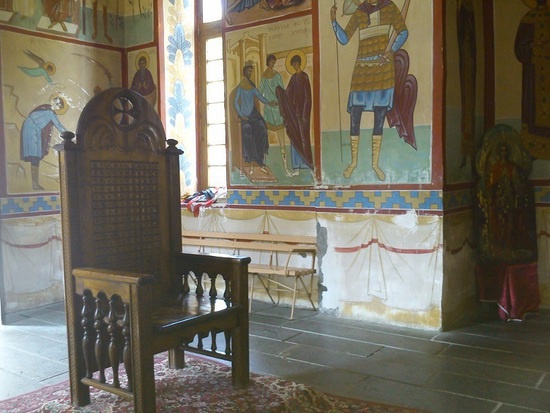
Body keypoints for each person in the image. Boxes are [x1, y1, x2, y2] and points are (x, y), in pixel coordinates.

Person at [330, 0, 408, 181]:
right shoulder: (360, 11)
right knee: (355, 115)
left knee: (379, 117)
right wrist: (333, 21)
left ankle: (375, 164)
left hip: (382, 70)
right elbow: (344, 38)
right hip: (362, 70)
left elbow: (403, 32)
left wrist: (391, 51)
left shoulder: (389, 7)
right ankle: (353, 162)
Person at [514, 0, 550, 160]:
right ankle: (534, 147)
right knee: (533, 109)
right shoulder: (528, 18)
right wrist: (531, 48)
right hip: (534, 73)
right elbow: (519, 47)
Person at [234, 61, 275, 175]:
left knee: (262, 128)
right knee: (247, 129)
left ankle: (260, 161)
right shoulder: (241, 87)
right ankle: (251, 161)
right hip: (245, 118)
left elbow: (260, 97)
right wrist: (241, 114)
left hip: (253, 116)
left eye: (251, 71)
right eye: (248, 71)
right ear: (244, 72)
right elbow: (235, 102)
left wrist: (269, 103)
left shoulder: (252, 87)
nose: (250, 73)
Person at [20, 94, 68, 190]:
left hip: (34, 129)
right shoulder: (50, 112)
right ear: (55, 104)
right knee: (35, 156)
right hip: (31, 129)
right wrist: (69, 135)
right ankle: (35, 184)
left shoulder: (47, 109)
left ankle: (35, 184)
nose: (58, 109)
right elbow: (59, 125)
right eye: (59, 106)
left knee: (36, 156)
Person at [276, 52, 314, 172]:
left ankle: (307, 163)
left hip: (303, 113)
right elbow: (288, 93)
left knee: (303, 138)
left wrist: (304, 114)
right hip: (295, 113)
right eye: (293, 65)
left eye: (296, 64)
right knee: (294, 136)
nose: (295, 66)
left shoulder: (304, 77)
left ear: (300, 63)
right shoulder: (293, 78)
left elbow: (308, 96)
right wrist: (280, 92)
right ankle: (297, 165)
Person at [259, 54, 294, 176]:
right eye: (271, 62)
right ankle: (263, 165)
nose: (272, 64)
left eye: (274, 62)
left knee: (282, 141)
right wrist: (267, 102)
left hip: (277, 110)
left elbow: (282, 91)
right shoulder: (263, 77)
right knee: (264, 139)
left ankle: (286, 168)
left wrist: (280, 103)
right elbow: (260, 93)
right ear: (267, 62)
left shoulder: (277, 75)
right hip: (268, 111)